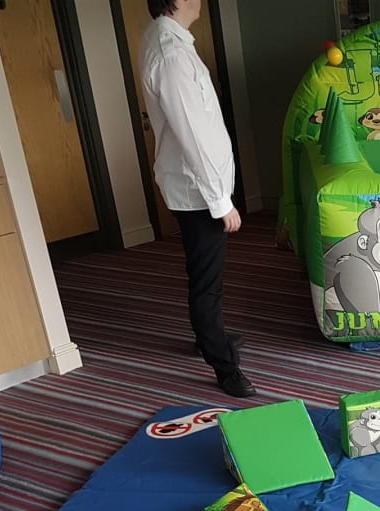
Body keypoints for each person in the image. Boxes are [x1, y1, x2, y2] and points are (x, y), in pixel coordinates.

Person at [140, 0, 255, 398]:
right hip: (197, 191)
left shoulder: (170, 41)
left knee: (204, 273)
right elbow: (192, 133)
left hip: (196, 186)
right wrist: (220, 200)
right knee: (207, 281)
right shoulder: (170, 54)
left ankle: (210, 334)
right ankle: (223, 363)